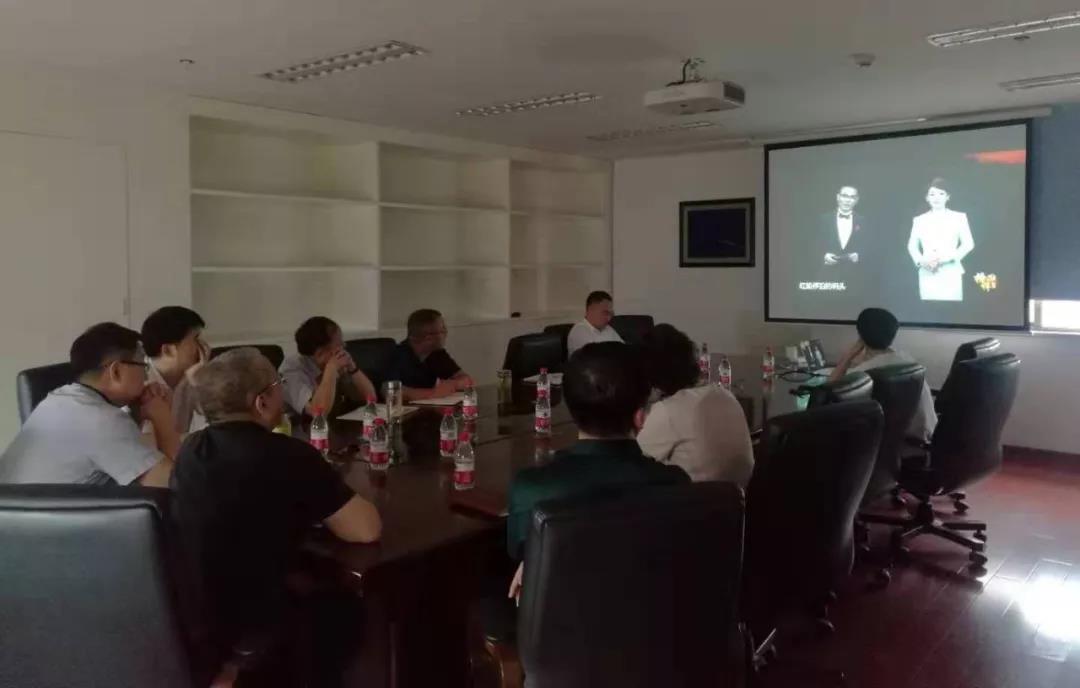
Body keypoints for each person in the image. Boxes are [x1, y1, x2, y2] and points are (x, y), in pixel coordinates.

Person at [172, 348, 381, 687]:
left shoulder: (191, 449)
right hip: (256, 623)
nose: (282, 390)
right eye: (278, 383)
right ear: (262, 402)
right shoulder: (288, 454)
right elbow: (366, 529)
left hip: (198, 621)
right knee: (351, 606)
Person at [505, 342, 689, 600]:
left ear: (570, 409)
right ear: (640, 417)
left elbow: (522, 551)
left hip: (563, 619)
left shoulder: (531, 488)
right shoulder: (675, 483)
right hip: (649, 616)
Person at [0, 322, 180, 487]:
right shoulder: (102, 419)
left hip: (17, 510)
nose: (146, 375)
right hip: (52, 512)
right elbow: (176, 484)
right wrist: (162, 418)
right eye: (142, 365)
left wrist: (136, 414)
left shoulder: (61, 399)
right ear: (116, 371)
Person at [637, 324, 754, 485]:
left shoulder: (668, 410)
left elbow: (632, 460)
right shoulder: (725, 394)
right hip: (741, 495)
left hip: (698, 498)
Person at [830, 307, 937, 441]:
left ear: (860, 336)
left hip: (905, 443)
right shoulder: (906, 359)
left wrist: (848, 355)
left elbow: (828, 394)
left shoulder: (861, 375)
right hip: (927, 436)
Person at [279, 316, 376, 417]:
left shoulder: (335, 361)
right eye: (339, 344)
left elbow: (370, 398)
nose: (344, 345)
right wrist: (331, 369)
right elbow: (318, 412)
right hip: (295, 424)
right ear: (321, 353)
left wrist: (352, 367)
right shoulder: (291, 370)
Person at [141, 305, 210, 434]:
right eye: (196, 339)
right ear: (168, 350)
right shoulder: (141, 385)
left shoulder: (193, 375)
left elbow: (216, 426)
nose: (204, 346)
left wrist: (200, 383)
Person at [907, 178, 974, 302]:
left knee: (953, 309)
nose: (936, 198)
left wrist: (946, 259)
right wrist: (922, 262)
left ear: (948, 196)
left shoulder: (959, 218)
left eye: (941, 193)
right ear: (927, 198)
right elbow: (912, 246)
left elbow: (968, 244)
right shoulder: (919, 220)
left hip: (951, 272)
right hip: (928, 272)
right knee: (928, 308)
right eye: (932, 194)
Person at [384, 309, 473, 402]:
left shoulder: (437, 353)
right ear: (428, 337)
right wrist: (433, 393)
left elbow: (467, 380)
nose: (446, 333)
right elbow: (389, 391)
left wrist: (454, 384)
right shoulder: (398, 355)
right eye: (442, 330)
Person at [820, 185, 869, 268]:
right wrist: (823, 256)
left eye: (852, 197)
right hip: (827, 271)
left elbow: (870, 246)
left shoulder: (864, 221)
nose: (848, 200)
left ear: (857, 200)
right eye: (844, 196)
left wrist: (859, 256)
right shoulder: (823, 219)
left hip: (854, 271)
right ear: (838, 197)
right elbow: (812, 244)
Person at [566, 290, 623, 356]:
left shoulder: (608, 329)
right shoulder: (579, 331)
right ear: (590, 310)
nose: (609, 318)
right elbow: (595, 358)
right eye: (605, 313)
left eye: (611, 314)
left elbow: (624, 350)